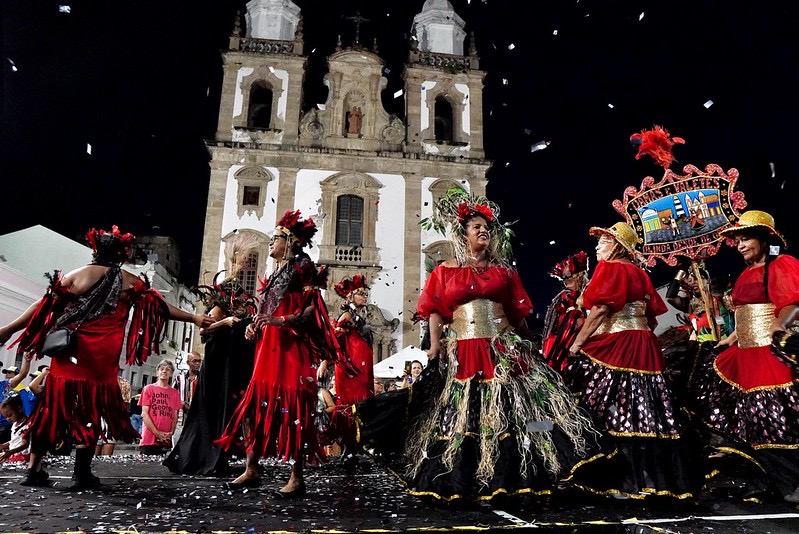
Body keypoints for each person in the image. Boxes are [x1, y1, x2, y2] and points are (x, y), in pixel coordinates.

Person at [397, 190, 599, 501]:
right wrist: (435, 346)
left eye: (485, 227)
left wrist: (528, 344)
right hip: (463, 351)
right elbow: (434, 309)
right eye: (475, 227)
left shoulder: (503, 271)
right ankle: (466, 477)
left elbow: (518, 312)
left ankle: (516, 474)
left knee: (512, 409)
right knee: (467, 412)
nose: (482, 231)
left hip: (502, 350)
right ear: (463, 234)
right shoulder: (445, 270)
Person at [0, 225, 213, 489]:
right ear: (122, 255)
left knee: (51, 413)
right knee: (90, 414)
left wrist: (9, 329)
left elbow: (42, 306)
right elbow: (159, 306)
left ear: (94, 250)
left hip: (68, 358)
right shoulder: (128, 280)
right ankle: (81, 474)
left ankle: (33, 470)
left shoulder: (78, 276)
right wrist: (193, 317)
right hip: (100, 362)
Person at [567, 222, 702, 500]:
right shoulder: (639, 273)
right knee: (648, 409)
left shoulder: (612, 268)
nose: (597, 247)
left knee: (611, 404)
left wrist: (578, 343)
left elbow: (602, 309)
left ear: (617, 246)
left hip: (620, 345)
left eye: (602, 242)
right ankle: (655, 479)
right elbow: (652, 318)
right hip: (644, 345)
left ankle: (622, 478)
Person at [217, 210, 346, 498]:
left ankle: (297, 477)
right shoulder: (274, 273)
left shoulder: (303, 268)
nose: (271, 242)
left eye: (275, 238)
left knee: (293, 412)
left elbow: (313, 310)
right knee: (251, 408)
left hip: (291, 349)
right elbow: (266, 310)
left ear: (289, 241)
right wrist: (255, 326)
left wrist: (280, 321)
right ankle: (252, 468)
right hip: (268, 347)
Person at [692, 210, 799, 502]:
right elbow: (744, 316)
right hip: (745, 354)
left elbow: (792, 302)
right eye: (737, 240)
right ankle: (772, 480)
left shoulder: (781, 264)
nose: (740, 245)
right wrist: (729, 339)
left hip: (768, 352)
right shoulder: (746, 273)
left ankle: (792, 481)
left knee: (776, 415)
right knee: (751, 417)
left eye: (746, 238)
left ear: (765, 239)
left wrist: (780, 324)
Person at [164, 234, 259, 476]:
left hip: (230, 365)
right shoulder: (219, 309)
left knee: (226, 411)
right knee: (211, 410)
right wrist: (225, 322)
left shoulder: (238, 310)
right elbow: (204, 330)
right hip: (217, 366)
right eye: (236, 295)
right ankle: (205, 456)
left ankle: (221, 456)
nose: (239, 298)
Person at [317, 275, 375, 453]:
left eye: (366, 294)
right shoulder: (347, 316)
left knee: (361, 406)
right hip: (351, 371)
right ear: (350, 297)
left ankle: (355, 446)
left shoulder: (357, 316)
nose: (365, 296)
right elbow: (335, 341)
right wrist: (325, 363)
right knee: (350, 407)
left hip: (361, 370)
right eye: (361, 294)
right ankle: (349, 447)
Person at [542, 251, 589, 374]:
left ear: (580, 275)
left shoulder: (589, 293)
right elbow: (554, 330)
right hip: (565, 352)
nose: (565, 281)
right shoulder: (563, 298)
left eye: (568, 277)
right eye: (564, 278)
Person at [140, 360, 182, 455]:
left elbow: (175, 416)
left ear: (171, 373)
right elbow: (145, 414)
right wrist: (157, 433)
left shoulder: (175, 393)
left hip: (165, 439)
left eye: (168, 369)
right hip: (149, 438)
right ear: (157, 372)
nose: (164, 371)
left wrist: (171, 432)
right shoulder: (148, 389)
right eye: (162, 369)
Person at [0, 357, 31, 443]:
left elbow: (22, 375)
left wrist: (27, 360)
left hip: (5, 427)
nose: (7, 375)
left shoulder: (4, 386)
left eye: (10, 372)